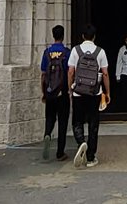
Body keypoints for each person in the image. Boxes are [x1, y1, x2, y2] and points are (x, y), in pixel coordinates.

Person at [68, 23, 110, 168]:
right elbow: (105, 73)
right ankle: (91, 157)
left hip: (78, 92)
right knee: (93, 124)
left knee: (77, 121)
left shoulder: (75, 50)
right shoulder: (100, 52)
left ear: (82, 36)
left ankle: (81, 142)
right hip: (94, 92)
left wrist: (70, 89)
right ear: (94, 37)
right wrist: (107, 91)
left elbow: (71, 72)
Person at [39, 24, 70, 162]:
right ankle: (60, 152)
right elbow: (70, 72)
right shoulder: (66, 52)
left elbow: (43, 74)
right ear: (63, 36)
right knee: (63, 122)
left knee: (50, 117)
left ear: (53, 35)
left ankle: (47, 134)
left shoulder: (47, 52)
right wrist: (69, 89)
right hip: (62, 91)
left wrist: (44, 93)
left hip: (50, 91)